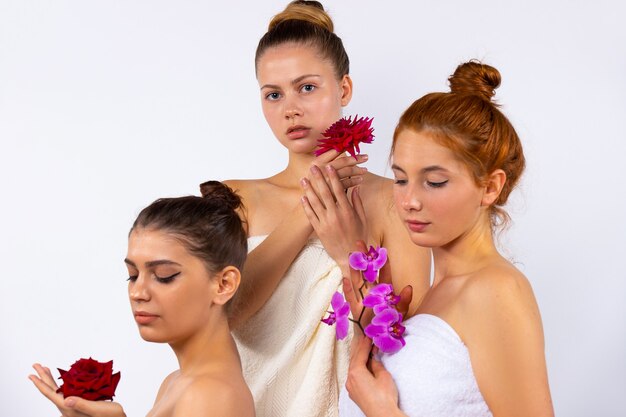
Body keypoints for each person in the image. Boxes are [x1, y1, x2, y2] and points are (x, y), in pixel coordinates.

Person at [216, 1, 431, 416]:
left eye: (307, 87)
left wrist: (348, 249)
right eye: (273, 94)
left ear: (344, 89)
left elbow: (408, 347)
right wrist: (308, 207)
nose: (290, 108)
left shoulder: (396, 202)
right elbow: (224, 311)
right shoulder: (234, 198)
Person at [338, 61, 554, 416]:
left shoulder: (495, 291)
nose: (409, 201)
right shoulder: (432, 296)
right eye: (401, 179)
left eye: (435, 181)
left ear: (490, 187)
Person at [29, 181, 256, 417]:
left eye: (164, 276)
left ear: (223, 284)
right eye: (133, 276)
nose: (137, 292)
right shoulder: (177, 383)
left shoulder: (209, 395)